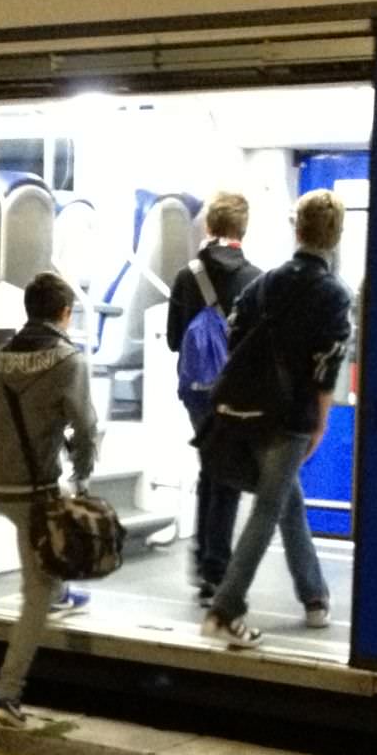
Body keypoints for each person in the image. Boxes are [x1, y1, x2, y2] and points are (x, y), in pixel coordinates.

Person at [201, 189, 352, 649]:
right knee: (268, 508)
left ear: (297, 230)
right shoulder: (333, 294)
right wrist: (320, 423)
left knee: (286, 501)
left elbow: (235, 326)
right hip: (289, 417)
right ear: (335, 236)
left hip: (244, 409)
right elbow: (327, 367)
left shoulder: (266, 282)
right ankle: (224, 610)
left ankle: (314, 596)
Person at [0, 270, 100, 727]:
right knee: (34, 594)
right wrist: (83, 477)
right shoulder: (68, 361)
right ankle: (6, 694)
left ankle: (60, 585)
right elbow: (85, 430)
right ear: (65, 314)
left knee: (46, 518)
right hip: (31, 491)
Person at [165, 191, 262, 604]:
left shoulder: (188, 275)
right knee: (227, 477)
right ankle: (214, 570)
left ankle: (204, 558)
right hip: (235, 392)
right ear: (243, 228)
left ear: (209, 226)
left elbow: (173, 340)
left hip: (196, 393)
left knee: (210, 467)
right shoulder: (257, 278)